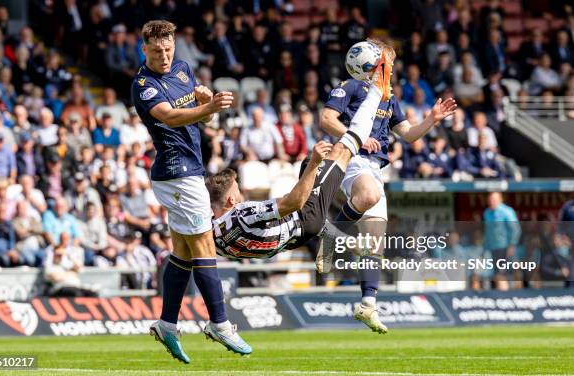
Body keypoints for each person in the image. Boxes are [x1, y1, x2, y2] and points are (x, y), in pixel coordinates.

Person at [206, 53, 391, 334]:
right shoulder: (241, 213)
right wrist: (316, 164)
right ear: (231, 200)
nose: (242, 196)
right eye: (239, 192)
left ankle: (336, 234)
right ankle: (377, 89)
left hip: (292, 239)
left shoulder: (213, 236)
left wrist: (312, 165)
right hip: (305, 219)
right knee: (345, 146)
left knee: (309, 161)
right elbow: (293, 202)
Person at [318, 40, 456, 334]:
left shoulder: (389, 98)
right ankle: (331, 234)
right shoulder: (353, 87)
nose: (391, 69)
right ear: (372, 65)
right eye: (387, 63)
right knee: (368, 195)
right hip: (351, 159)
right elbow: (327, 119)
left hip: (375, 168)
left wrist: (431, 120)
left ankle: (368, 305)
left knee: (373, 244)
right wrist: (355, 136)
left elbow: (408, 135)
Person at [131, 20, 248, 363]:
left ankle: (167, 324)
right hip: (176, 174)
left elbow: (200, 117)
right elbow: (170, 117)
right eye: (156, 51)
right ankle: (220, 323)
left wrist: (206, 99)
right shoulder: (144, 85)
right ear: (145, 50)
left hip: (190, 170)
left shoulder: (182, 69)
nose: (164, 56)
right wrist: (209, 108)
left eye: (168, 49)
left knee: (183, 251)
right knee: (204, 244)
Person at [484, 192, 521, 291]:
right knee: (498, 274)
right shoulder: (487, 213)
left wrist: (512, 245)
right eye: (490, 200)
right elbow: (487, 232)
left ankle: (521, 298)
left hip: (506, 248)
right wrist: (485, 249)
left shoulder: (507, 211)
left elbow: (515, 229)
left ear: (500, 200)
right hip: (493, 249)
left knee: (515, 273)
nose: (492, 202)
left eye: (494, 199)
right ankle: (503, 299)